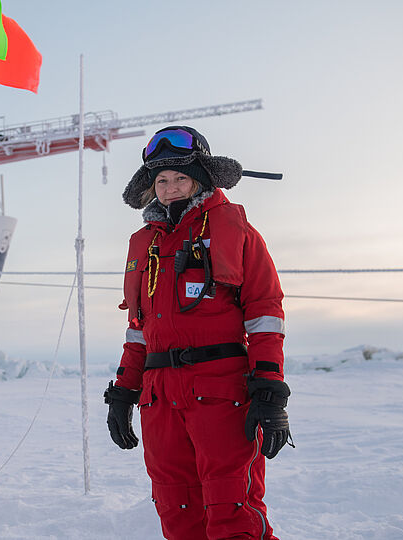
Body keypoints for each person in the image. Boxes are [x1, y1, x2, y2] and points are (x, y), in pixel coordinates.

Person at [104, 126, 292, 540]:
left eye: (180, 178)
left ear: (201, 178)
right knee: (177, 511)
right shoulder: (144, 244)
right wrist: (123, 391)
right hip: (159, 397)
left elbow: (264, 313)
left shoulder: (236, 231)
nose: (170, 189)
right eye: (162, 181)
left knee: (232, 511)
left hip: (221, 390)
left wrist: (269, 388)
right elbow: (139, 329)